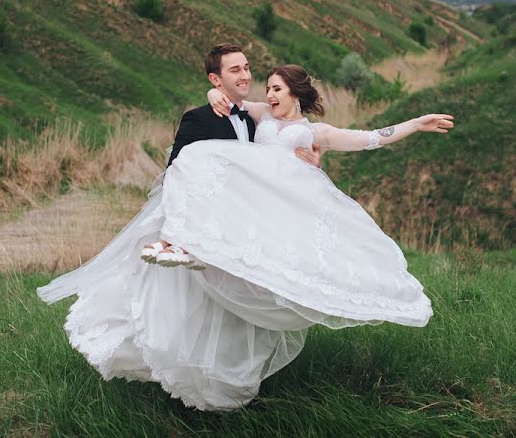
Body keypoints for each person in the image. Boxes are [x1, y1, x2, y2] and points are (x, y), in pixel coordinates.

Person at [36, 57, 454, 411]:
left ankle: (233, 361)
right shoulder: (261, 117)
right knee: (201, 162)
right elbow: (228, 101)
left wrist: (415, 123)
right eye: (267, 88)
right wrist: (211, 94)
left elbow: (370, 139)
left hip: (276, 213)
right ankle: (187, 247)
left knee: (267, 284)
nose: (268, 95)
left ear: (296, 94)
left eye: (277, 89)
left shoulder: (313, 134)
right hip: (245, 208)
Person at [141, 43, 320, 269]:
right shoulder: (198, 119)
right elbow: (175, 172)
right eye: (235, 70)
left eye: (246, 68)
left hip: (246, 230)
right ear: (216, 80)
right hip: (203, 226)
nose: (245, 76)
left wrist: (307, 165)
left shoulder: (256, 120)